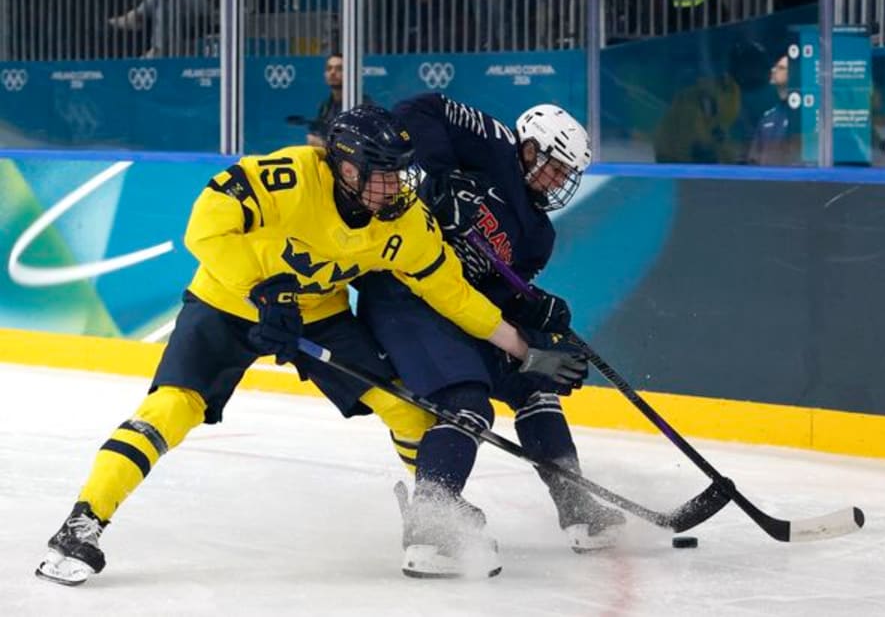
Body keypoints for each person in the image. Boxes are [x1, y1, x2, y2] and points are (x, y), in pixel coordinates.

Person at [34, 105, 587, 586]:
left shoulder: (405, 222)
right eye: (383, 177)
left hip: (315, 312)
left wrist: (523, 350)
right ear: (346, 169)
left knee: (409, 409)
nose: (396, 189)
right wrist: (261, 286)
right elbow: (204, 226)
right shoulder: (291, 177)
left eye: (400, 175)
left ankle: (432, 521)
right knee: (171, 409)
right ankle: (84, 521)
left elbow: (454, 297)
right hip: (226, 300)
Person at [354, 94, 624, 579]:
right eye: (556, 168)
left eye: (568, 175)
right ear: (530, 150)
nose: (560, 181)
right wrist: (439, 177)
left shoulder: (539, 235)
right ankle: (432, 525)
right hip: (403, 293)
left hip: (457, 306)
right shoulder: (493, 143)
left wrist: (536, 308)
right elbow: (422, 108)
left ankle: (576, 507)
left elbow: (495, 293)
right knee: (467, 399)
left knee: (533, 380)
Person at [746, 53, 799, 165]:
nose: (774, 70)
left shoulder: (802, 116)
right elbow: (753, 159)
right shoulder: (767, 119)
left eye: (781, 68)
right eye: (775, 67)